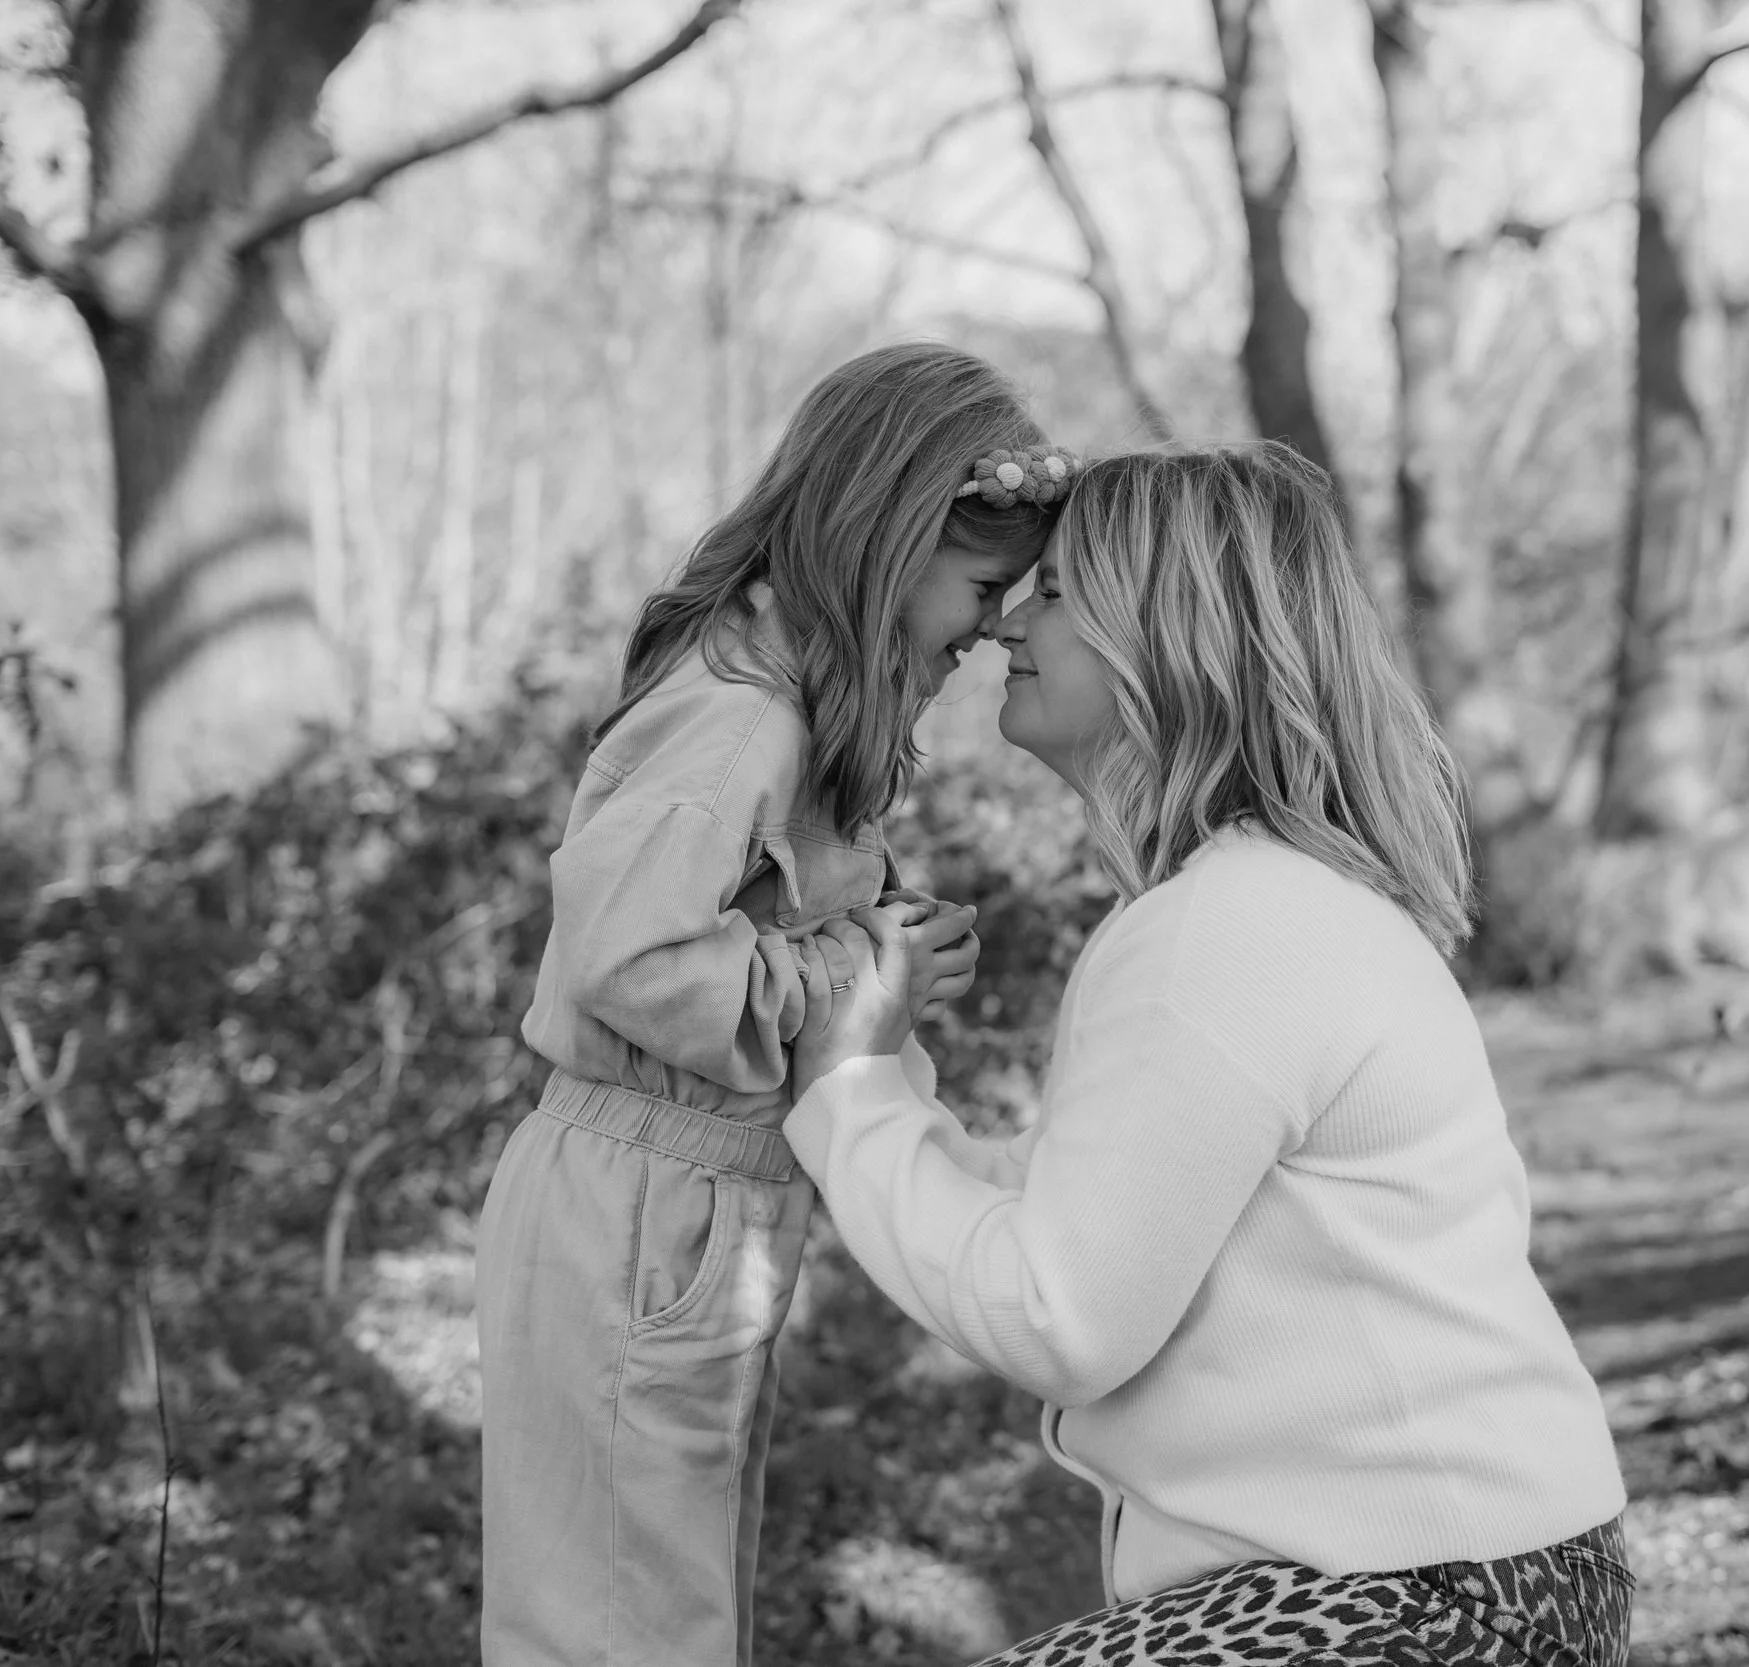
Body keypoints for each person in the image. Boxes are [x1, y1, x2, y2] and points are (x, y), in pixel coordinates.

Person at [788, 443, 1634, 1666]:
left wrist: (844, 1084)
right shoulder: (1250, 903)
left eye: (1063, 587)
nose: (1010, 617)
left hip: (1434, 1599)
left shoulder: (1226, 926)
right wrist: (879, 1063)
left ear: (1168, 639)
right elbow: (1060, 1209)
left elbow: (1054, 1314)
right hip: (1478, 1573)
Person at [473, 342, 1077, 1667]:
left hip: (685, 1200)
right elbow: (627, 963)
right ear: (891, 537)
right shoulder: (738, 718)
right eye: (979, 586)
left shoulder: (785, 705)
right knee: (616, 1618)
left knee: (658, 1591)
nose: (987, 628)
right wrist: (856, 979)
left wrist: (872, 943)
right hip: (635, 1202)